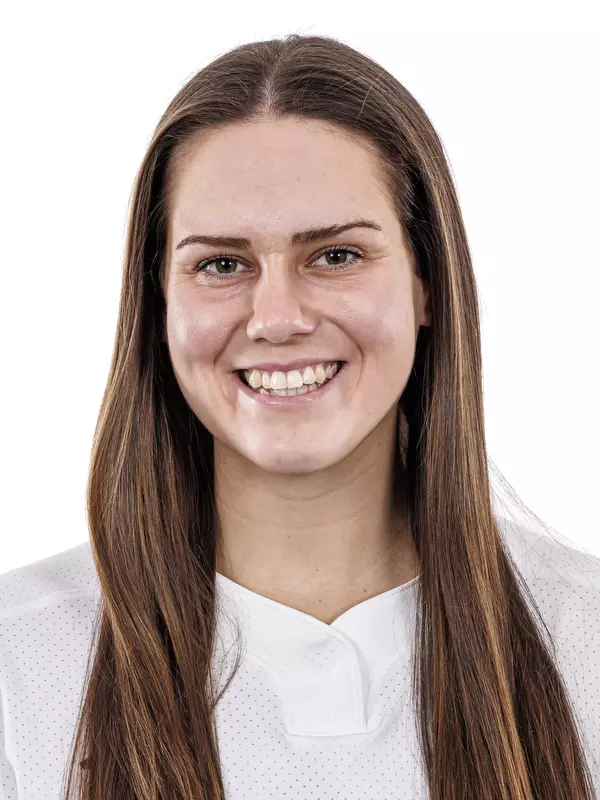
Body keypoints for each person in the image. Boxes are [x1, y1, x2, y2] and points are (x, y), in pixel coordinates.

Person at [1, 33, 599, 800]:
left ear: (425, 283)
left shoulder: (584, 645)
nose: (277, 317)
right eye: (222, 264)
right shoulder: (18, 668)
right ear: (159, 305)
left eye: (336, 256)